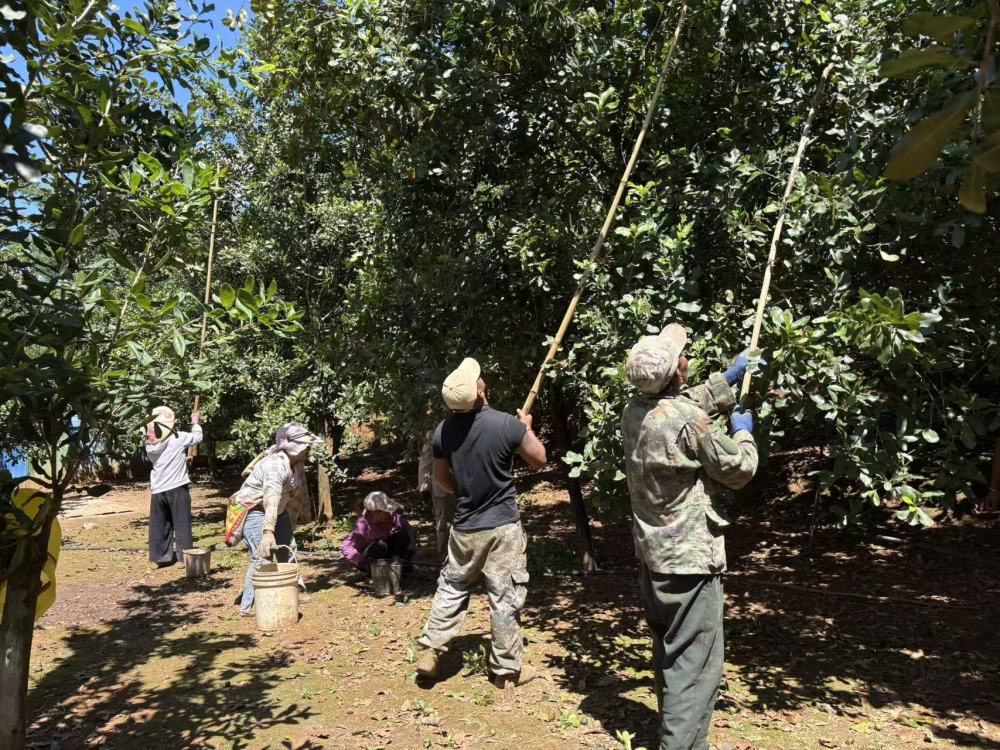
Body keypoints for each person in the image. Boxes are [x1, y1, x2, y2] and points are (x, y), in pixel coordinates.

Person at [620, 324, 758, 750]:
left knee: (671, 656)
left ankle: (684, 738)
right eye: (682, 356)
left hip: (653, 559)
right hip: (690, 566)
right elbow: (739, 470)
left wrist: (727, 380)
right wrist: (743, 432)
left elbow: (679, 406)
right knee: (695, 667)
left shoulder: (634, 410)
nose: (686, 358)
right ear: (676, 373)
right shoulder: (688, 420)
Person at [414, 357, 547, 689]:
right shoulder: (506, 425)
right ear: (478, 391)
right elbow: (540, 460)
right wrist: (526, 428)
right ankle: (505, 671)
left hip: (465, 527)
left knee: (452, 586)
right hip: (503, 527)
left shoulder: (443, 433)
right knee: (504, 595)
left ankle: (431, 648)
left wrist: (468, 491)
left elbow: (442, 481)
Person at [232, 422, 316, 615]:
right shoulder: (275, 465)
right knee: (262, 555)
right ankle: (249, 605)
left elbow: (299, 491)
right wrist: (268, 531)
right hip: (254, 509)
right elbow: (271, 498)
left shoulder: (297, 463)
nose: (309, 449)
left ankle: (293, 591)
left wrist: (304, 515)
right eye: (306, 446)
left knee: (289, 548)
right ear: (294, 447)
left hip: (277, 509)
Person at [145, 406, 202, 567]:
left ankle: (158, 558)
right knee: (181, 522)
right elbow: (197, 437)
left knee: (160, 524)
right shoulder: (178, 438)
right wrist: (195, 422)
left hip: (158, 489)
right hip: (177, 486)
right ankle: (183, 558)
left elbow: (166, 458)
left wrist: (182, 459)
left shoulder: (149, 444)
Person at [341, 491, 416, 572]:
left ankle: (397, 566)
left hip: (384, 553)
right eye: (385, 511)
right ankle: (374, 571)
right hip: (369, 557)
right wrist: (360, 561)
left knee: (402, 537)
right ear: (374, 513)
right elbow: (346, 546)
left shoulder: (390, 517)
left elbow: (408, 530)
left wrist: (410, 549)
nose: (389, 513)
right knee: (379, 544)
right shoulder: (363, 524)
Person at [418, 425, 456, 560]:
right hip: (441, 486)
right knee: (444, 522)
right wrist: (424, 486)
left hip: (464, 483)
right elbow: (426, 459)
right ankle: (444, 555)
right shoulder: (435, 431)